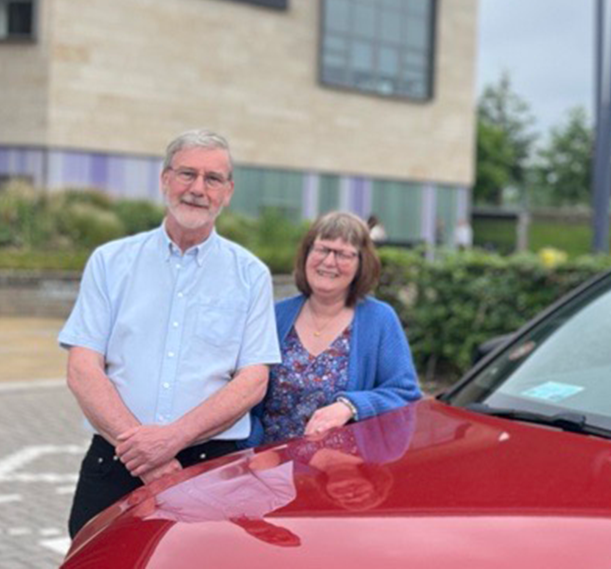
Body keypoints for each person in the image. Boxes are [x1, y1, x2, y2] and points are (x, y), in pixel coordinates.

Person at [60, 129, 280, 538]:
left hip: (210, 466)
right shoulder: (110, 262)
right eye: (186, 174)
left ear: (227, 192)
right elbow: (83, 368)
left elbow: (253, 380)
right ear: (165, 180)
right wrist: (149, 457)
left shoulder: (250, 275)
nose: (198, 188)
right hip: (116, 460)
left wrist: (170, 440)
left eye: (212, 179)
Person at [246, 211, 421, 446]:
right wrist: (253, 452)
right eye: (322, 249)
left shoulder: (379, 319)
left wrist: (351, 406)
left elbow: (405, 394)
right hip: (270, 469)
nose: (329, 262)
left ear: (361, 264)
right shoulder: (276, 315)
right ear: (306, 254)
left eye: (343, 254)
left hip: (341, 473)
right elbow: (243, 394)